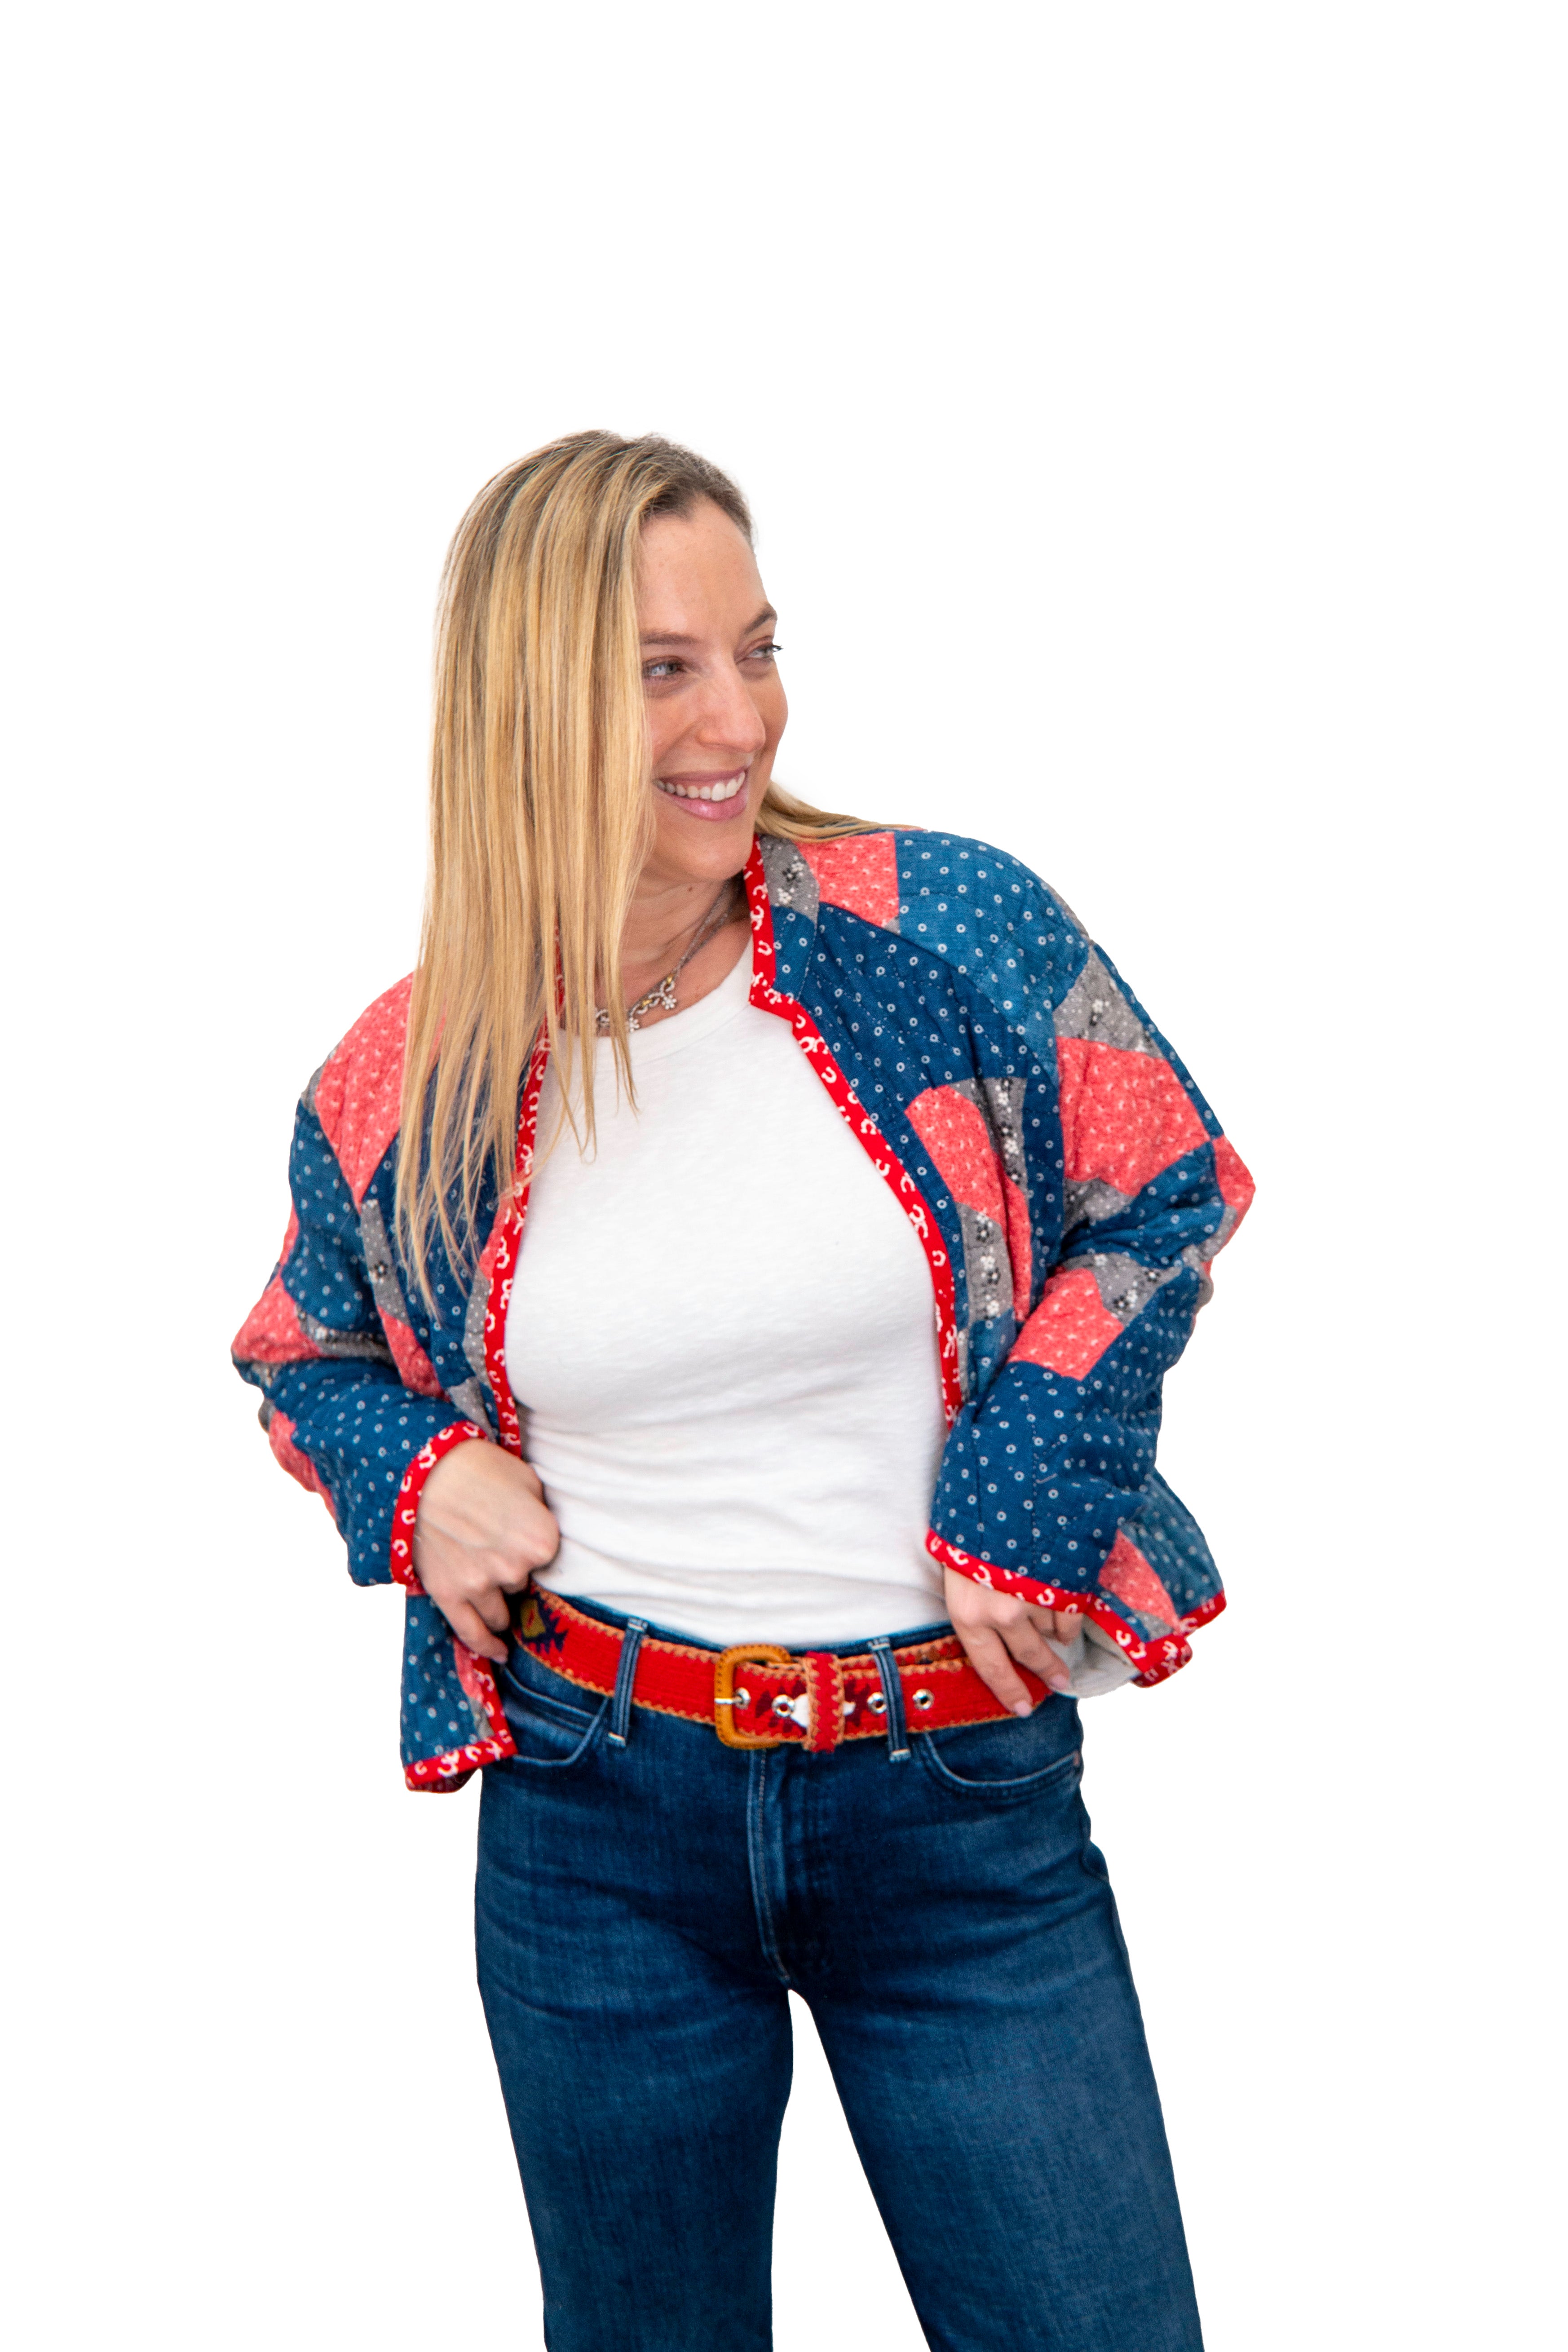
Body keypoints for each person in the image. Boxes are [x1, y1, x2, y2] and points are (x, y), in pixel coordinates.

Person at [233, 430, 1253, 2352]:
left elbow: (1165, 1179)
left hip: (956, 1799)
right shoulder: (407, 1080)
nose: (740, 718)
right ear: (526, 703)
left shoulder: (940, 925)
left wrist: (1021, 1481)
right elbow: (304, 1346)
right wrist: (421, 1475)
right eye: (662, 669)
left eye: (756, 649)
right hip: (595, 1812)